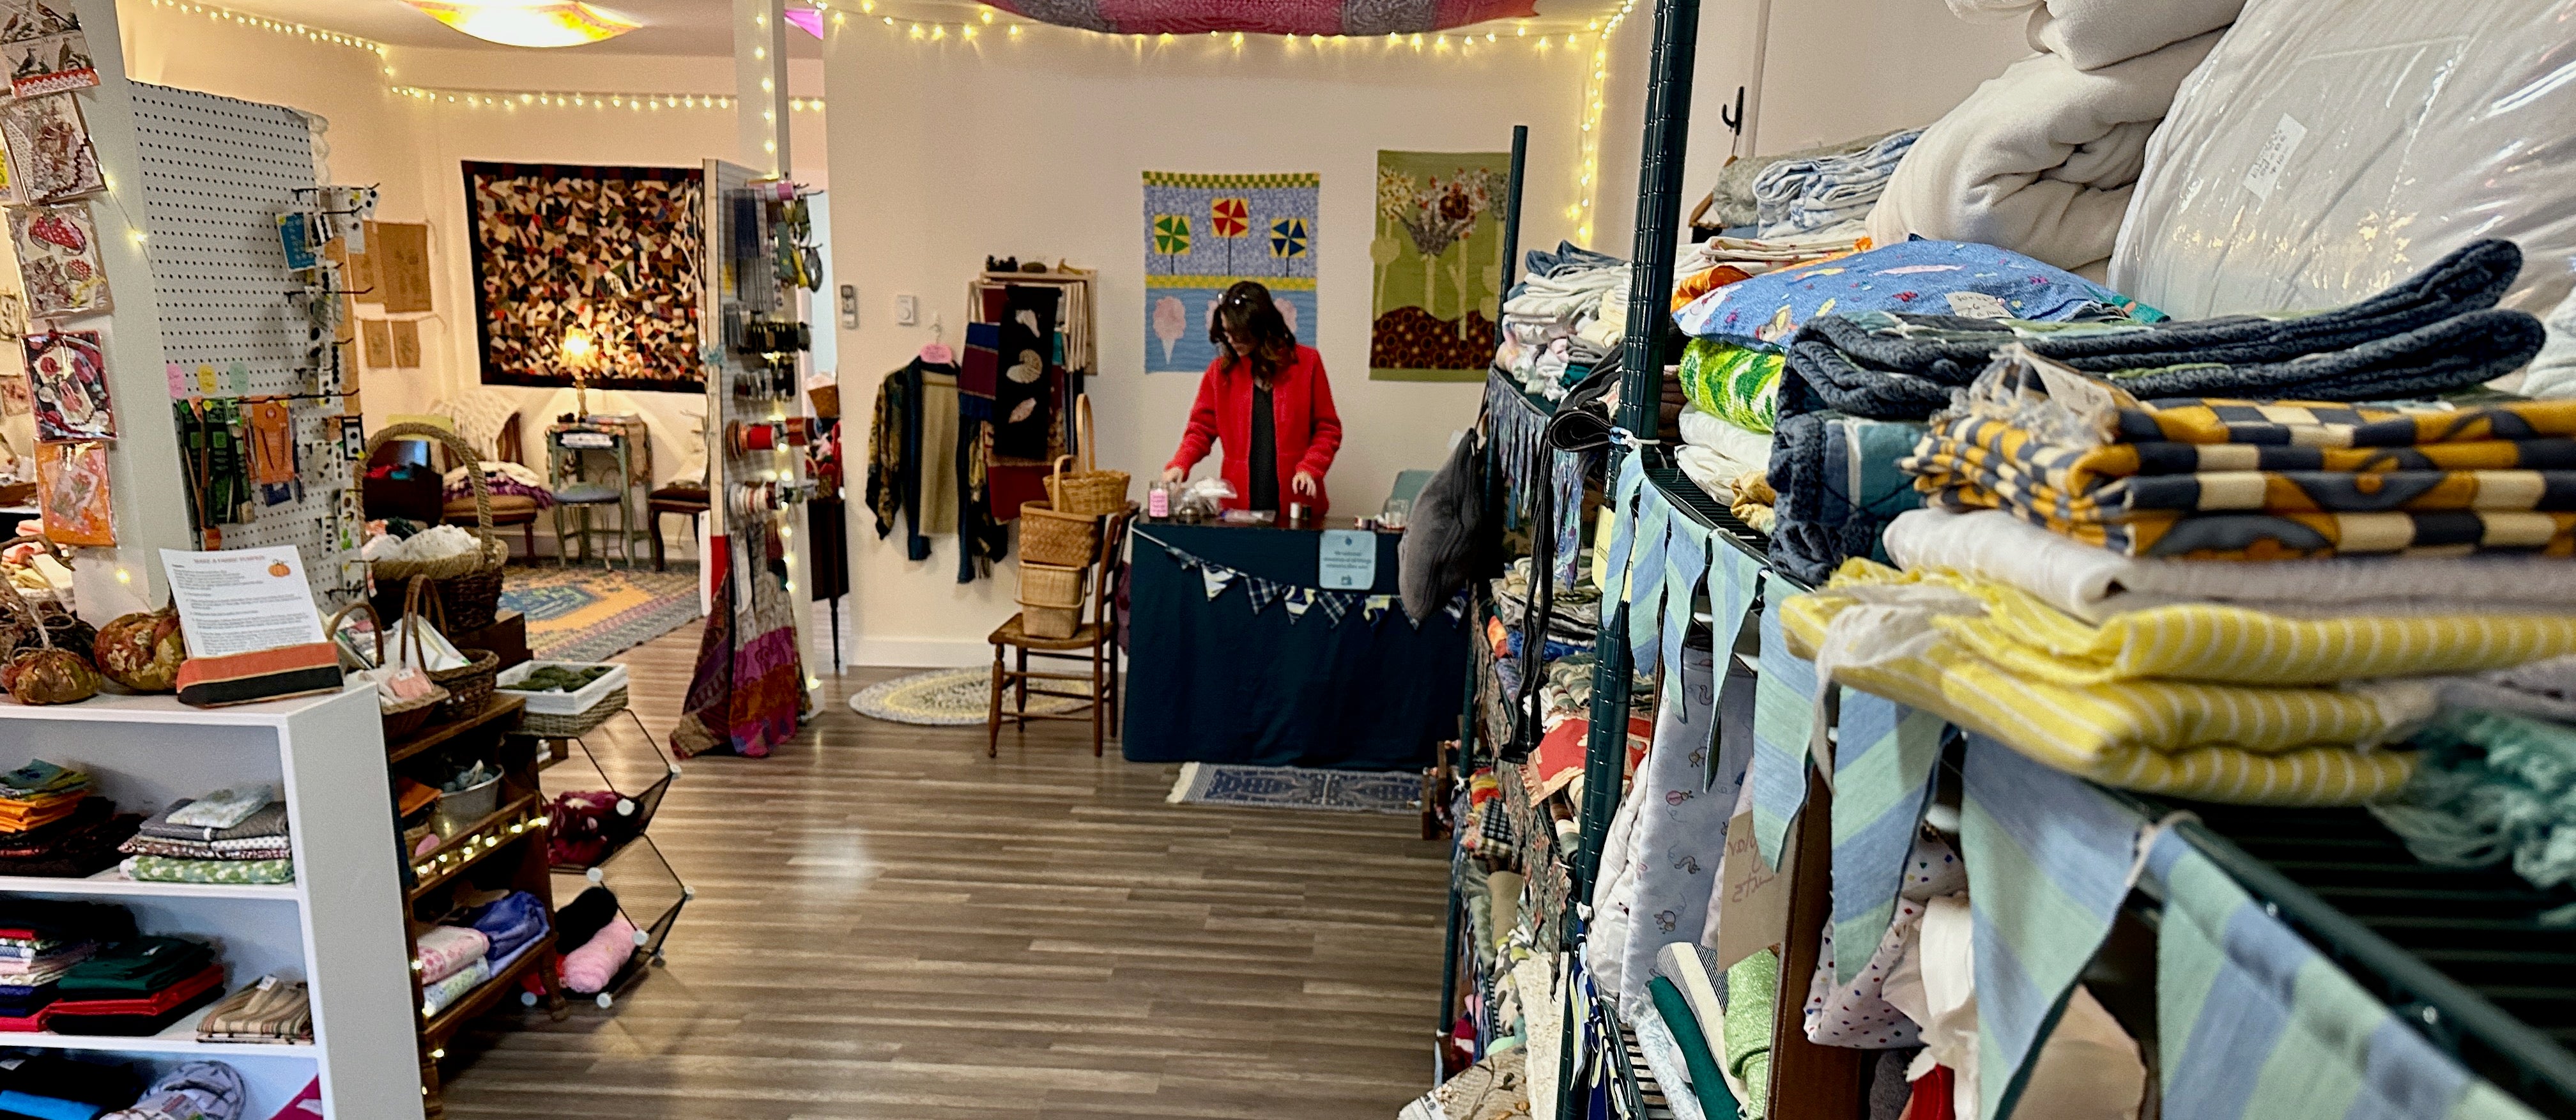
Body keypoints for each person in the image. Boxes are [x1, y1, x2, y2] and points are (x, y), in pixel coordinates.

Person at [1162, 280, 1344, 516]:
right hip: (1240, 508)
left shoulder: (1307, 363)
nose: (1231, 341)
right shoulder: (1220, 373)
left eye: (1239, 335)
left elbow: (1327, 429)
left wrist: (1311, 467)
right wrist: (1180, 463)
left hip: (1298, 506)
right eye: (1226, 333)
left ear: (1261, 328)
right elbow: (1201, 430)